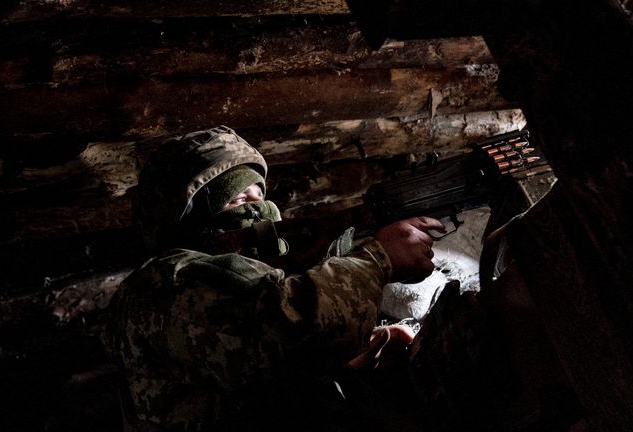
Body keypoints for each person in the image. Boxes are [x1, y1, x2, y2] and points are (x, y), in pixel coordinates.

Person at [107, 125, 445, 431]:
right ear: (192, 220)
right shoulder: (165, 282)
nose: (257, 209)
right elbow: (288, 332)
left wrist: (351, 355)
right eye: (237, 198)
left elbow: (267, 377)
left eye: (260, 195)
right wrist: (377, 259)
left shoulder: (242, 275)